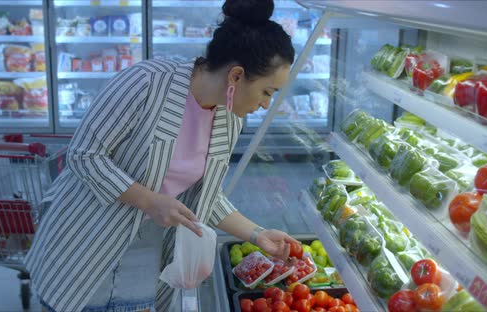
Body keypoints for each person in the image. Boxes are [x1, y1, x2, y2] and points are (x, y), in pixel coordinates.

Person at [26, 0, 299, 311]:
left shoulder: (229, 117)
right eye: (267, 91)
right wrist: (149, 200)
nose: (266, 105)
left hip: (145, 256)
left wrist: (257, 233)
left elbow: (205, 194)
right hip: (87, 241)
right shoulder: (147, 82)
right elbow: (84, 155)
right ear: (236, 76)